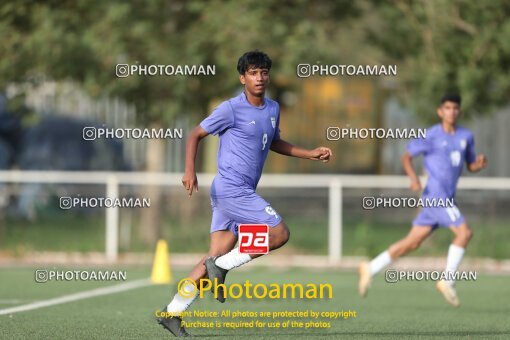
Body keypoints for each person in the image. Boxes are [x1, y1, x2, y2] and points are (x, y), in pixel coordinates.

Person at [157, 50, 332, 336]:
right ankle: (223, 266)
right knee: (279, 234)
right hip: (230, 190)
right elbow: (194, 134)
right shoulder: (230, 109)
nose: (259, 77)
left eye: (264, 72)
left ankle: (173, 312)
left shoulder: (273, 108)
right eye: (253, 73)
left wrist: (309, 153)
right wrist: (189, 171)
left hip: (239, 192)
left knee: (211, 257)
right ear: (243, 78)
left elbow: (274, 142)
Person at [358, 94, 487, 307]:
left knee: (412, 243)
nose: (451, 112)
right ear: (440, 111)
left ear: (459, 112)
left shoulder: (466, 136)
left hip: (445, 198)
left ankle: (370, 267)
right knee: (465, 233)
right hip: (436, 197)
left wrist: (478, 164)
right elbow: (406, 157)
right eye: (447, 108)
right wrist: (414, 179)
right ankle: (447, 281)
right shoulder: (431, 135)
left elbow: (470, 165)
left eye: (455, 108)